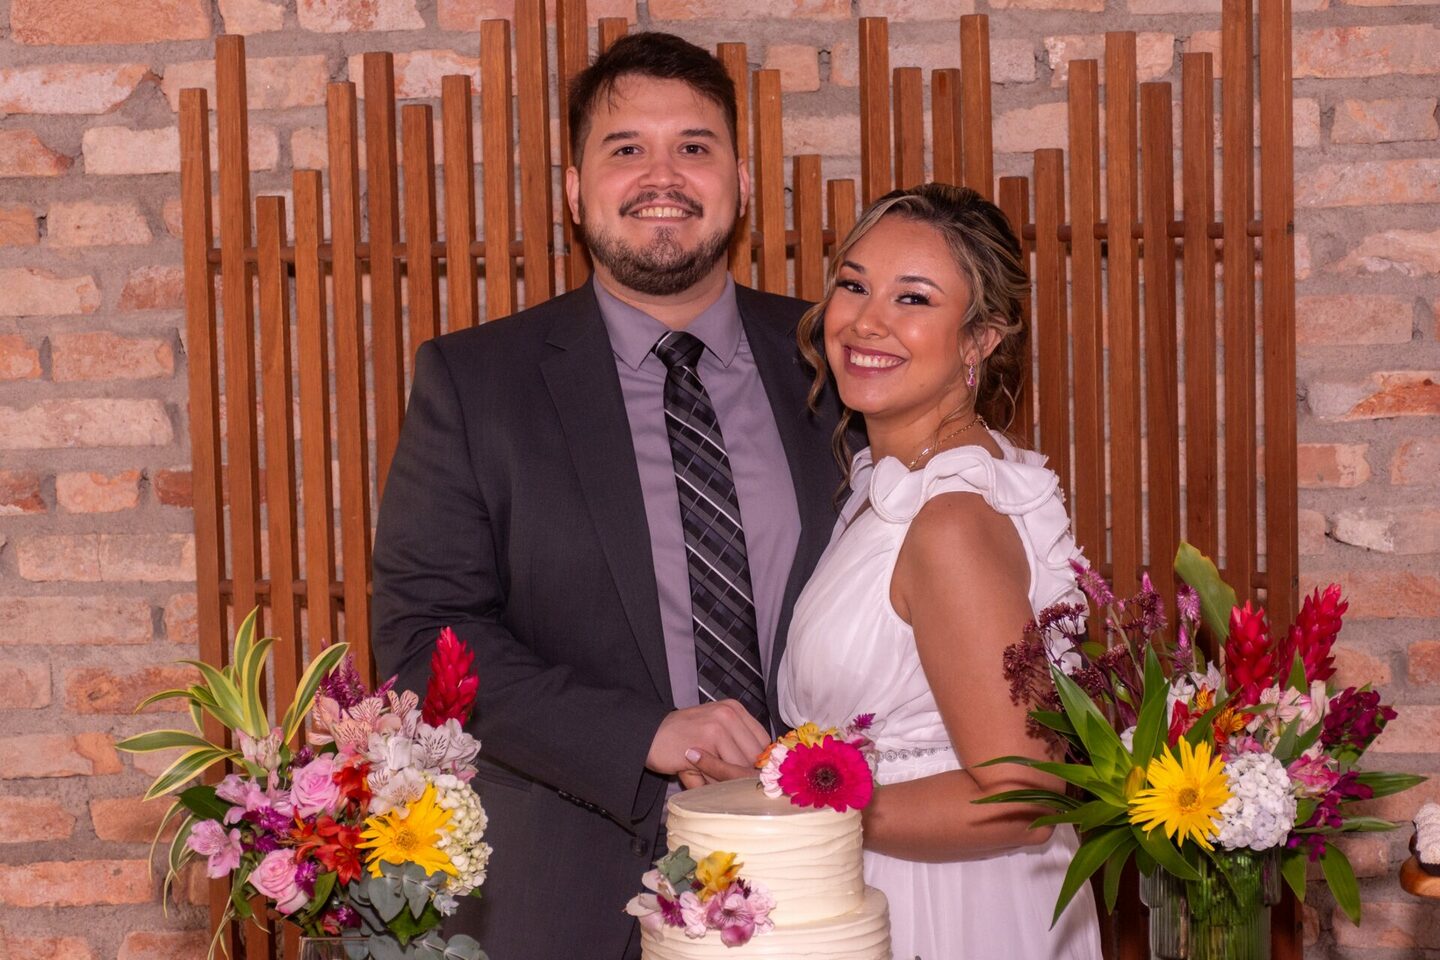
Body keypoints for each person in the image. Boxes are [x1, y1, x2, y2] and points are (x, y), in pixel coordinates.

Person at [368, 31, 842, 960]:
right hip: (574, 900)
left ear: (740, 183)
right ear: (574, 189)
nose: (662, 175)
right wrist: (645, 735)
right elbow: (424, 639)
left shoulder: (835, 365)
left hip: (828, 874)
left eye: (694, 147)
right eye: (627, 149)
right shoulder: (476, 383)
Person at [780, 183, 1102, 958]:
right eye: (853, 284)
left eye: (913, 298)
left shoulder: (951, 518)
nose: (866, 321)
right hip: (881, 882)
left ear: (980, 339)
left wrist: (799, 804)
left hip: (946, 906)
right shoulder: (896, 482)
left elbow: (1021, 799)